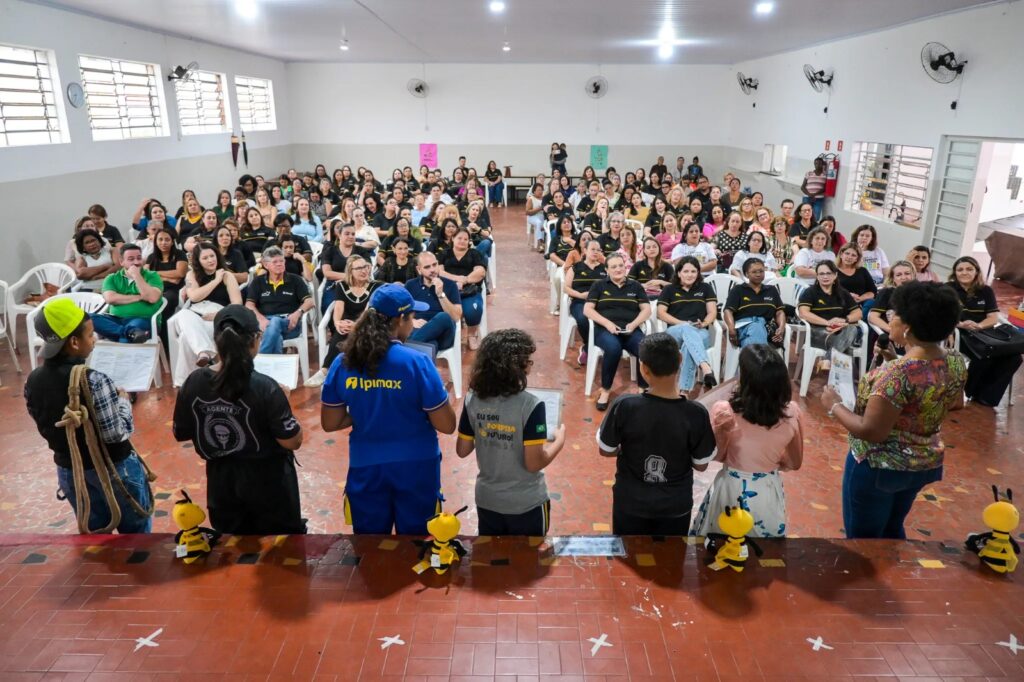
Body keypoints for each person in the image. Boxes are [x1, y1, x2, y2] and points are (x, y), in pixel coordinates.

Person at [822, 282, 966, 539]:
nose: (891, 319)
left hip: (880, 467)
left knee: (864, 539)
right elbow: (955, 402)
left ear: (907, 328)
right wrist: (892, 359)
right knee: (892, 529)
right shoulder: (954, 360)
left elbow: (871, 431)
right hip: (921, 463)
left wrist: (834, 404)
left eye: (894, 315)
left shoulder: (897, 375)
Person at [321, 284, 456, 535]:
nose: (412, 323)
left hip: (366, 465)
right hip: (416, 465)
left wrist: (366, 406)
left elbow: (331, 422)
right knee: (417, 544)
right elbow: (447, 425)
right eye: (412, 317)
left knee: (371, 546)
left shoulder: (344, 361)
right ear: (399, 320)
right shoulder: (417, 363)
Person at [173, 305, 305, 535]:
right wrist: (285, 404)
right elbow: (291, 441)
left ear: (216, 341)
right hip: (270, 485)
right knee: (281, 551)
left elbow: (181, 432)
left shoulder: (193, 382)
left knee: (231, 547)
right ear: (257, 340)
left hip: (221, 483)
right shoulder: (266, 387)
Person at [24, 298, 153, 533]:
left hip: (70, 471)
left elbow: (45, 425)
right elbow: (116, 434)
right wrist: (123, 401)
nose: (94, 341)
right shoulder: (93, 380)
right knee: (136, 538)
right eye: (91, 335)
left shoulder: (33, 381)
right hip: (113, 469)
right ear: (74, 342)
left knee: (95, 535)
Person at [597, 333, 715, 535]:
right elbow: (701, 465)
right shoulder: (696, 413)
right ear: (680, 359)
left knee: (628, 555)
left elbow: (606, 450)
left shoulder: (625, 405)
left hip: (631, 502)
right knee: (671, 559)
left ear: (643, 368)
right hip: (675, 505)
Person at [456, 329, 566, 535]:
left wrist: (487, 429)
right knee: (528, 562)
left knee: (492, 559)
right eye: (529, 361)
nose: (530, 365)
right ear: (518, 367)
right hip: (526, 503)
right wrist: (559, 441)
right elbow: (533, 463)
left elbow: (462, 449)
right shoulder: (532, 405)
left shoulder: (473, 399)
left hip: (487, 500)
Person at [691, 344, 804, 538]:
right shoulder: (792, 412)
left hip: (731, 488)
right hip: (767, 489)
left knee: (724, 544)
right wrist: (772, 459)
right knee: (764, 549)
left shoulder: (725, 411)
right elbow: (795, 462)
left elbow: (717, 455)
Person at [948, 255, 1022, 407]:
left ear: (976, 271)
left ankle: (988, 397)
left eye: (969, 269)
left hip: (983, 333)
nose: (964, 272)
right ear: (955, 273)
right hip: (959, 334)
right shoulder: (947, 289)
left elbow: (993, 318)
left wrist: (979, 326)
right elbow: (941, 315)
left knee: (1015, 358)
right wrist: (961, 324)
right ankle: (969, 392)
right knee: (984, 355)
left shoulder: (985, 291)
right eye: (960, 269)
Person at [169, 242, 243, 387]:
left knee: (185, 338)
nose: (210, 260)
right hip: (194, 315)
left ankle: (186, 383)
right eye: (205, 258)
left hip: (216, 316)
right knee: (183, 313)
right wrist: (215, 280)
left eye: (212, 256)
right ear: (198, 261)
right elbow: (195, 297)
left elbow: (237, 303)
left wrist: (219, 314)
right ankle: (204, 350)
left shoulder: (227, 275)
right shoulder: (192, 274)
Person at [584, 253, 652, 410]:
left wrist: (634, 324)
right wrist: (607, 323)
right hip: (605, 330)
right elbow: (588, 310)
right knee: (614, 349)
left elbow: (647, 310)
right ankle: (606, 390)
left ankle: (643, 389)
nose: (618, 269)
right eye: (613, 267)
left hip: (630, 330)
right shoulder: (599, 285)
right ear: (607, 269)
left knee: (645, 348)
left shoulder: (635, 286)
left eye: (621, 265)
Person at [306, 255, 381, 388]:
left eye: (365, 267)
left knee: (354, 333)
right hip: (346, 323)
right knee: (340, 332)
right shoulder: (342, 285)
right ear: (350, 271)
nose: (364, 271)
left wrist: (356, 325)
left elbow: (368, 310)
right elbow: (338, 307)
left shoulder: (375, 286)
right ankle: (324, 371)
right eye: (359, 268)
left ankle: (328, 371)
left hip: (367, 322)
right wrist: (336, 323)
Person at [658, 257, 718, 392]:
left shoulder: (705, 288)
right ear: (679, 273)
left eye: (693, 271)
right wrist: (683, 324)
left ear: (698, 273)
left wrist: (704, 323)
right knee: (686, 328)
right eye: (685, 271)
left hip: (700, 331)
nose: (689, 275)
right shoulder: (669, 289)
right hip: (674, 332)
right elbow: (661, 313)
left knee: (688, 346)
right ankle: (705, 366)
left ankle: (684, 391)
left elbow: (712, 312)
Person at [245, 246, 313, 355]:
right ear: (266, 265)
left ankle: (261, 360)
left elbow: (309, 302)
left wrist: (297, 314)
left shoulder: (295, 280)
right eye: (275, 262)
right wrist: (261, 319)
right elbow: (249, 304)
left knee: (275, 321)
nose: (279, 264)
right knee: (275, 333)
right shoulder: (258, 282)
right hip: (265, 323)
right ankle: (275, 365)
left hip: (289, 323)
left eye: (281, 261)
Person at [93, 244, 163, 343]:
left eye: (139, 258)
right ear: (121, 261)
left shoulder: (152, 276)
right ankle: (129, 332)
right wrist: (139, 297)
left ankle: (127, 334)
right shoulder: (112, 278)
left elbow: (152, 298)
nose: (136, 262)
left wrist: (136, 275)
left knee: (126, 338)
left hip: (143, 320)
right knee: (87, 318)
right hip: (115, 320)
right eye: (131, 259)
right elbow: (110, 298)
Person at [797, 260, 863, 359]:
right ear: (817, 276)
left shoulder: (843, 293)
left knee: (851, 329)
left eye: (828, 273)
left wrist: (844, 320)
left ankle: (827, 361)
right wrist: (828, 323)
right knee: (847, 347)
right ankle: (833, 363)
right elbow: (803, 313)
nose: (825, 276)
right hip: (816, 332)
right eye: (821, 274)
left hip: (838, 331)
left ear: (835, 275)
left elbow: (858, 313)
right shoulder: (810, 292)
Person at [438, 228, 487, 350]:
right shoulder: (444, 253)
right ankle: (452, 333)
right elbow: (439, 271)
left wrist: (464, 280)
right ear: (453, 238)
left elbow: (480, 272)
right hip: (448, 290)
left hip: (469, 290)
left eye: (466, 239)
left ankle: (471, 335)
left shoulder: (474, 254)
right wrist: (456, 279)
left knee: (472, 310)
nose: (462, 241)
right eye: (459, 238)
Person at [405, 251, 463, 352]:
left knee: (443, 316)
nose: (432, 269)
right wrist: (412, 321)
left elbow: (456, 316)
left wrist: (441, 294)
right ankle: (414, 348)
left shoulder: (450, 285)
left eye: (434, 265)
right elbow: (402, 311)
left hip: (444, 334)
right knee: (430, 346)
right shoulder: (410, 285)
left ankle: (406, 349)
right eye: (427, 267)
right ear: (419, 269)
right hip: (418, 331)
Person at [724, 259, 787, 349]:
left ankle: (752, 360)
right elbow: (728, 311)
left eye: (761, 271)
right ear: (746, 274)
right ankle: (762, 359)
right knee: (756, 326)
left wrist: (781, 328)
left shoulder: (771, 290)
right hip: (743, 327)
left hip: (766, 327)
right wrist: (731, 329)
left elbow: (779, 312)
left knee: (754, 333)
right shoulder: (738, 289)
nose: (758, 274)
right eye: (754, 272)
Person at [564, 240, 607, 366]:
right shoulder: (576, 267)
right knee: (583, 319)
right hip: (580, 301)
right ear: (585, 251)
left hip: (599, 303)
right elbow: (566, 287)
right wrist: (580, 295)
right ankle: (591, 346)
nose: (595, 252)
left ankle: (588, 349)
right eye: (592, 249)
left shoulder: (604, 268)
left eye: (598, 250)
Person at [72, 227, 120, 292]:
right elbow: (81, 274)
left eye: (93, 240)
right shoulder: (82, 258)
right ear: (83, 247)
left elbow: (118, 266)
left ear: (99, 241)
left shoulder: (111, 250)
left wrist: (97, 276)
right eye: (87, 242)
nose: (92, 244)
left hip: (111, 286)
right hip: (88, 288)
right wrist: (105, 266)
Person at [835, 243, 877, 317]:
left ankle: (859, 321)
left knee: (871, 303)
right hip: (841, 301)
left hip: (862, 302)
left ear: (857, 259)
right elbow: (829, 290)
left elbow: (873, 291)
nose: (849, 257)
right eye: (847, 253)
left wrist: (860, 298)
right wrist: (848, 296)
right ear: (841, 254)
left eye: (853, 255)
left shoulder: (862, 271)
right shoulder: (833, 271)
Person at [801, 156, 828, 221]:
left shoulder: (825, 175)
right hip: (807, 197)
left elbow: (825, 188)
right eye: (816, 163)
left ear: (822, 165)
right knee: (805, 215)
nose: (817, 165)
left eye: (819, 163)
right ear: (814, 164)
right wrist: (810, 194)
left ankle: (812, 230)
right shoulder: (809, 173)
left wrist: (814, 194)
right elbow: (802, 187)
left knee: (816, 217)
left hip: (819, 199)